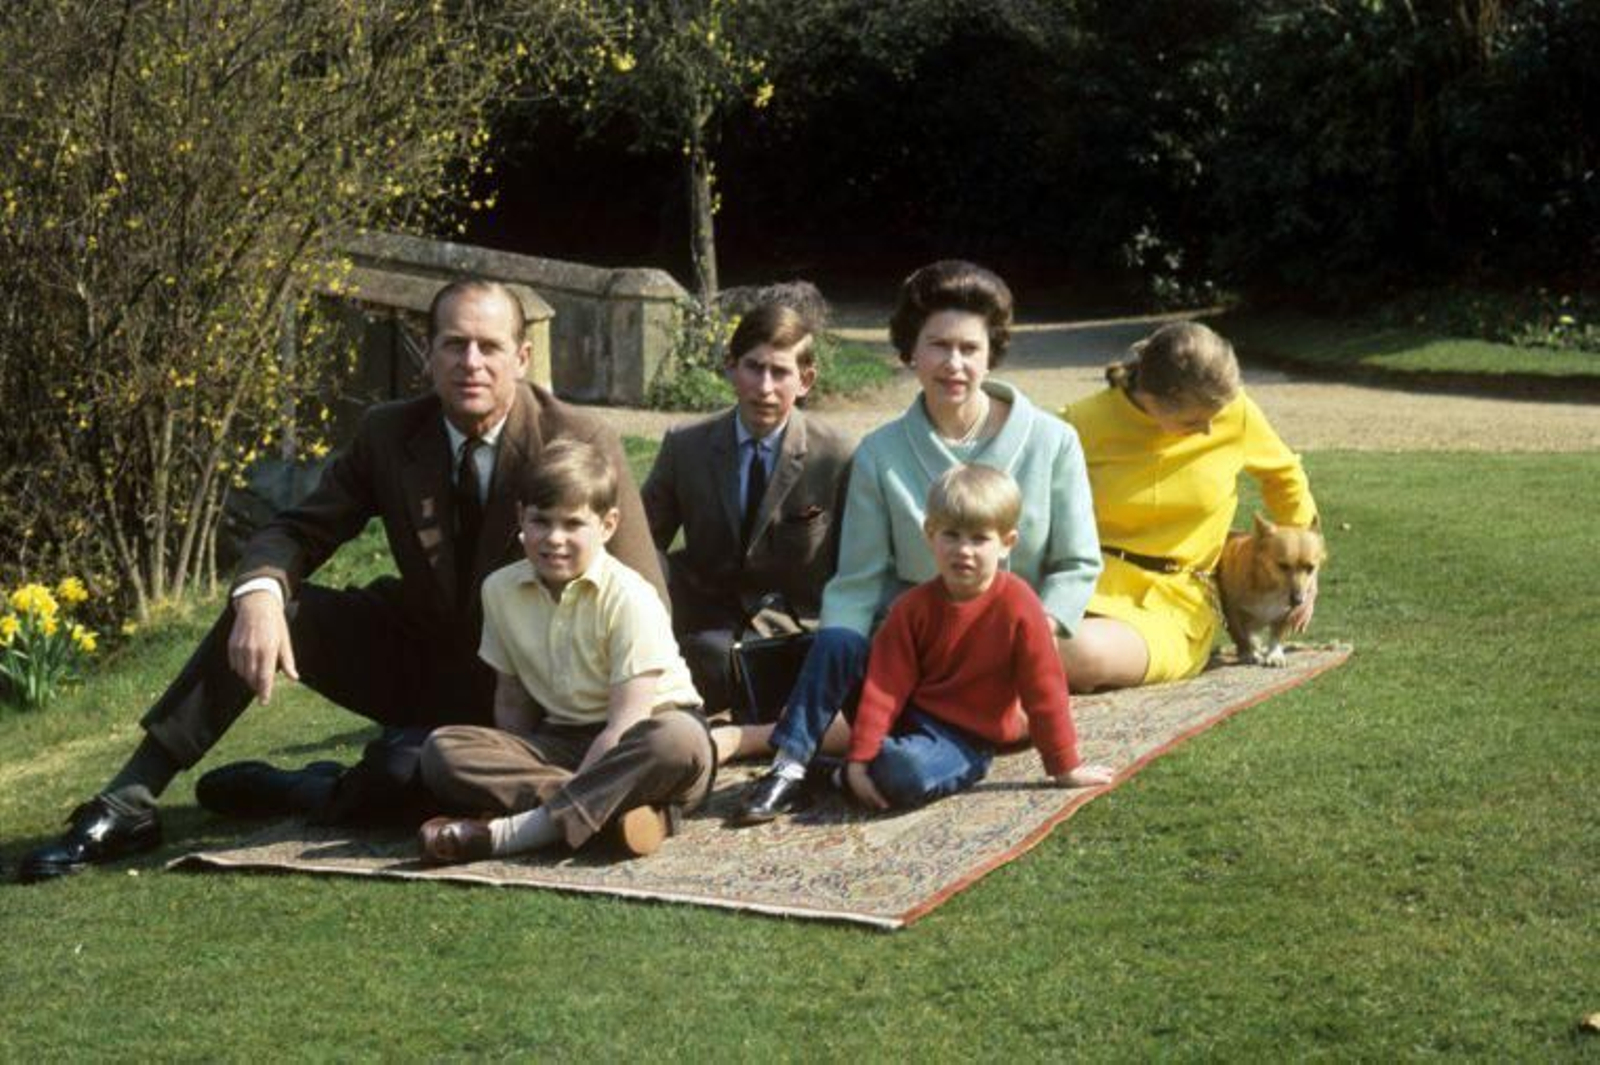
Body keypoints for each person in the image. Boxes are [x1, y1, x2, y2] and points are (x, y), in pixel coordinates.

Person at [16, 279, 666, 883]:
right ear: (428, 355)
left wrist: (600, 737)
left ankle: (307, 788)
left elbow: (644, 601)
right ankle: (129, 799)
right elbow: (298, 531)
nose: (471, 362)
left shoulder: (578, 439)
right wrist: (261, 594)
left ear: (521, 358)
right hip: (419, 652)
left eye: (490, 347)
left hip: (531, 693)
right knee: (272, 607)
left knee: (404, 779)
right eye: (454, 344)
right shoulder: (390, 432)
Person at [734, 260, 1102, 824]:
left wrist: (1032, 636)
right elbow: (857, 582)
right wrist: (843, 646)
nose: (954, 364)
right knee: (838, 637)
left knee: (903, 767)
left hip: (996, 674)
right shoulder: (880, 453)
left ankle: (841, 767)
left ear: (991, 354)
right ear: (911, 353)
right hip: (901, 658)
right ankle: (789, 765)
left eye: (969, 348)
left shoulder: (1054, 442)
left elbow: (1076, 563)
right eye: (938, 346)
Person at [416, 439, 713, 862]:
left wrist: (510, 794)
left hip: (643, 738)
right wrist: (515, 761)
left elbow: (625, 723)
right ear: (520, 516)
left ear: (607, 525)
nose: (554, 539)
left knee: (676, 741)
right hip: (564, 740)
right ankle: (624, 815)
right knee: (442, 750)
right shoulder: (499, 590)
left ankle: (509, 835)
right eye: (541, 521)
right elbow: (512, 699)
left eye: (573, 524)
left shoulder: (630, 596)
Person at [1058, 321, 1318, 691]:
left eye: (1215, 417)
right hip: (1078, 585)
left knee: (1075, 651)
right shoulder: (1079, 422)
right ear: (1157, 397)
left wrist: (1304, 557)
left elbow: (1285, 477)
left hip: (1175, 603)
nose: (1210, 429)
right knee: (1015, 636)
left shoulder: (1235, 413)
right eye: (1195, 420)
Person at [836, 465, 1113, 811]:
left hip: (967, 737)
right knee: (839, 651)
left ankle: (844, 771)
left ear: (1006, 544)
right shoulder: (911, 607)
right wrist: (860, 757)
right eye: (951, 535)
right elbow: (885, 686)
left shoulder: (1019, 604)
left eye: (979, 538)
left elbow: (1044, 689)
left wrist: (1064, 765)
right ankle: (821, 761)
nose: (963, 550)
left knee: (903, 772)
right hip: (915, 714)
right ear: (930, 534)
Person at [640, 290, 854, 713]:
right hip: (707, 611)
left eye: (780, 372)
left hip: (793, 622)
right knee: (646, 568)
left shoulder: (838, 456)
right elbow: (641, 538)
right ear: (730, 367)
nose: (765, 388)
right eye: (754, 367)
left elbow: (857, 568)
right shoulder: (686, 444)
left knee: (720, 665)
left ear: (805, 380)